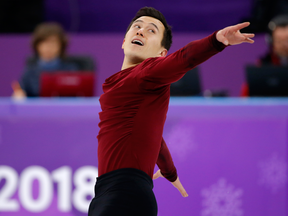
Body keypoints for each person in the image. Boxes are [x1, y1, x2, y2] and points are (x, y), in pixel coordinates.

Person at [88, 7, 254, 216]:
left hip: (124, 193)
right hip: (109, 191)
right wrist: (170, 172)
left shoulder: (146, 74)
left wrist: (217, 40)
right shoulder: (125, 83)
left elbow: (184, 58)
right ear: (123, 41)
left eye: (151, 31)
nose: (140, 31)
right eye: (137, 27)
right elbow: (154, 138)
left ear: (161, 54)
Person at [12, 22, 78, 98]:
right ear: (37, 45)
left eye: (53, 42)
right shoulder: (29, 71)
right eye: (44, 43)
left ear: (61, 46)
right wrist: (19, 95)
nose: (48, 47)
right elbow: (22, 93)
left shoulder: (70, 70)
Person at [241, 15, 288, 96]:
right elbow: (245, 98)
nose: (285, 45)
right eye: (280, 41)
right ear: (270, 42)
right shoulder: (262, 67)